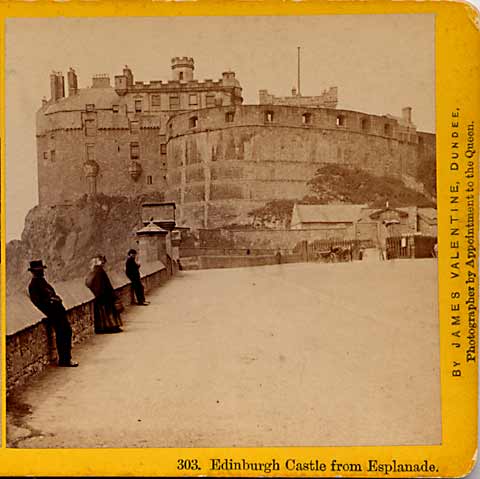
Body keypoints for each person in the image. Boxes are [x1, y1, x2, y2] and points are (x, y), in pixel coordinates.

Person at [28, 260, 78, 367]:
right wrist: (51, 301)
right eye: (38, 270)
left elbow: (51, 294)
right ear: (33, 272)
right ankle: (65, 359)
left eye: (41, 270)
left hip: (58, 312)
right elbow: (38, 302)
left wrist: (55, 298)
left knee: (66, 332)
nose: (41, 272)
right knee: (62, 334)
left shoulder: (42, 281)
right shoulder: (33, 285)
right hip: (53, 313)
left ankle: (66, 358)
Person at [85, 255, 123, 334]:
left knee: (102, 313)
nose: (103, 264)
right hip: (104, 295)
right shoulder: (99, 270)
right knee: (108, 312)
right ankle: (110, 327)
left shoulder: (94, 271)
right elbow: (105, 284)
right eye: (102, 262)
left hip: (99, 295)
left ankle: (103, 328)